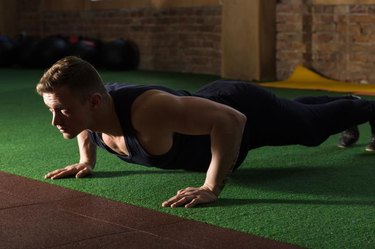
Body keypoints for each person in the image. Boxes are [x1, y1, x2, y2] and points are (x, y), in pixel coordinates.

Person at [36, 56, 375, 208]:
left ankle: (364, 106)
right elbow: (84, 124)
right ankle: (344, 104)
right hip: (207, 113)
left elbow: (232, 121)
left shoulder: (148, 109)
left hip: (242, 109)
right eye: (52, 110)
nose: (56, 121)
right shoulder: (92, 112)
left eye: (62, 110)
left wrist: (211, 187)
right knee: (300, 114)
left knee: (311, 129)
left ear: (94, 101)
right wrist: (85, 160)